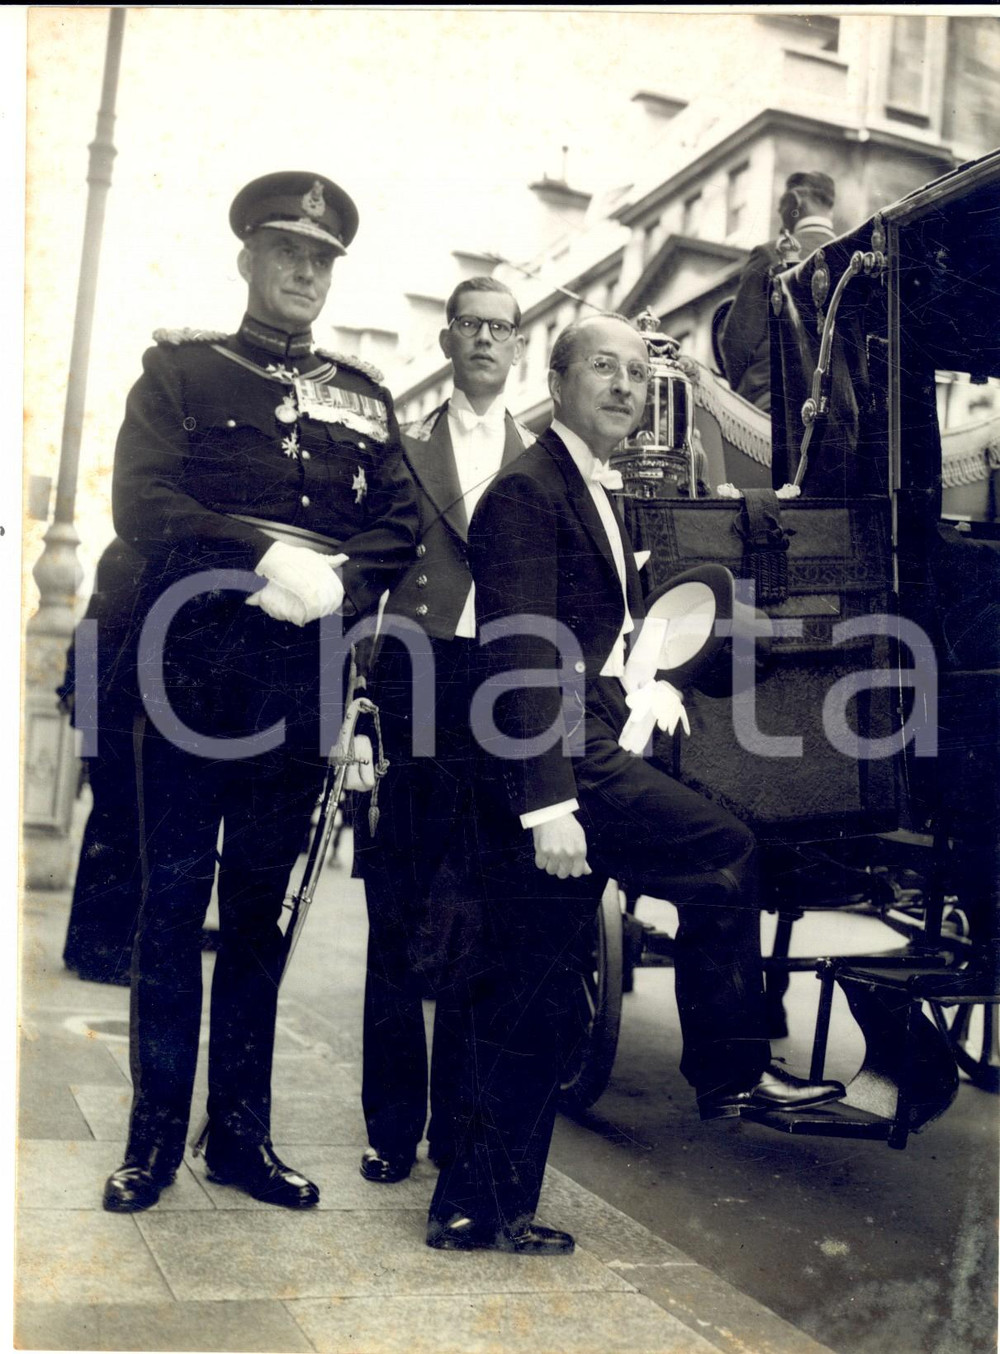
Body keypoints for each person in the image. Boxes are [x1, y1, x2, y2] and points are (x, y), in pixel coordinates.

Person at [426, 313, 845, 1254]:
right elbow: (523, 656)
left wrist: (642, 685)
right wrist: (549, 804)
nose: (622, 386)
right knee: (724, 850)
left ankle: (478, 1211)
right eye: (601, 369)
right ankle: (732, 1069)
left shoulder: (592, 487)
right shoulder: (529, 491)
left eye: (634, 372)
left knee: (532, 992)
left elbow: (590, 638)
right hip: (553, 766)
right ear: (559, 379)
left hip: (581, 739)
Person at [101, 171, 418, 1214]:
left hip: (299, 687)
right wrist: (262, 558)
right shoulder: (184, 373)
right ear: (247, 257)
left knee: (261, 915)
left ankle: (237, 1135)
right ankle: (151, 1142)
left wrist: (340, 580)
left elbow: (399, 522)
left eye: (321, 257)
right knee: (170, 905)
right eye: (286, 249)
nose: (303, 268)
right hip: (187, 675)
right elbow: (142, 500)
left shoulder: (367, 400)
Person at [353, 277, 532, 1184]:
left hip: (498, 691)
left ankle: (459, 1129)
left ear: (520, 345)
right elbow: (364, 582)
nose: (486, 340)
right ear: (448, 339)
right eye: (471, 325)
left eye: (502, 327)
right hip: (411, 677)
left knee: (480, 914)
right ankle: (390, 1127)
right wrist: (355, 710)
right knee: (398, 907)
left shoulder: (538, 458)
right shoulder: (403, 450)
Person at [60, 538, 146, 987]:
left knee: (111, 824)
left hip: (104, 711)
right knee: (123, 826)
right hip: (120, 712)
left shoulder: (119, 549)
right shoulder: (136, 551)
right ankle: (104, 952)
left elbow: (90, 632)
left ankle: (88, 947)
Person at [719, 171, 837, 410]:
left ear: (795, 202)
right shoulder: (853, 253)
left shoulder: (769, 254)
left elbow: (737, 342)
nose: (779, 212)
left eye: (782, 204)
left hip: (772, 401)